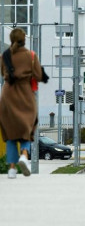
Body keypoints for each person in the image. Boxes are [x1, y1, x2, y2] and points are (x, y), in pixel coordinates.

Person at [0, 28, 48, 179]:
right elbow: (39, 75)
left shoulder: (5, 56)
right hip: (25, 93)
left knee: (10, 132)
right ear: (24, 39)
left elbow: (3, 73)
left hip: (8, 93)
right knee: (28, 126)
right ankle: (24, 155)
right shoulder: (31, 56)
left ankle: (12, 169)